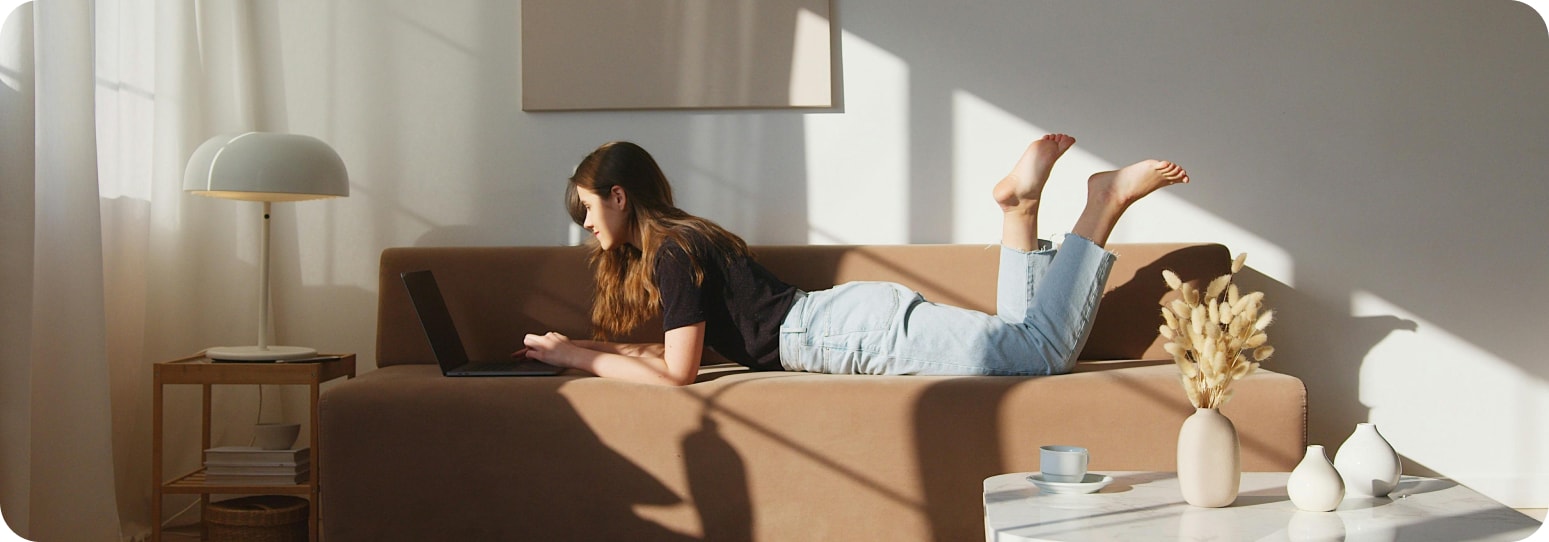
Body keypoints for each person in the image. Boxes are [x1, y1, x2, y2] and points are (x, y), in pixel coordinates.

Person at [520, 135, 1189, 386]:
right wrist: (576, 345)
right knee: (1022, 342)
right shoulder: (684, 240)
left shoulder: (672, 253)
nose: (585, 225)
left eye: (587, 209)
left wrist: (577, 359)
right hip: (842, 323)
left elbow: (677, 373)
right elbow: (669, 350)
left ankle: (1102, 203)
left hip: (842, 335)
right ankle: (1020, 209)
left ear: (617, 195)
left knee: (1041, 354)